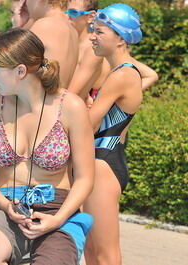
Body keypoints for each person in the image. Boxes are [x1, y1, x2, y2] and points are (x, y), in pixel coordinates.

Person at [0, 28, 94, 265]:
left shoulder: (71, 107)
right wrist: (4, 204)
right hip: (3, 204)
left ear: (20, 71)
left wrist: (58, 220)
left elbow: (85, 178)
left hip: (57, 209)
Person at [82, 4, 146, 265]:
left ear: (120, 38)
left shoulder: (124, 75)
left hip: (104, 165)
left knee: (106, 255)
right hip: (101, 160)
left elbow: (88, 125)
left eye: (99, 31)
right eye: (92, 30)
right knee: (91, 251)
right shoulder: (117, 73)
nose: (92, 36)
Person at [66, 0, 158, 102]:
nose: (66, 16)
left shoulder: (95, 48)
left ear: (91, 17)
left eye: (73, 12)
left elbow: (151, 75)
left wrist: (115, 98)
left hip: (85, 108)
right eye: (64, 11)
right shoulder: (77, 44)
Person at [12, 0, 79, 88]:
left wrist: (16, 27)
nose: (25, 3)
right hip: (56, 100)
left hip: (41, 99)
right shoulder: (72, 30)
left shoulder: (44, 25)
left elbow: (7, 63)